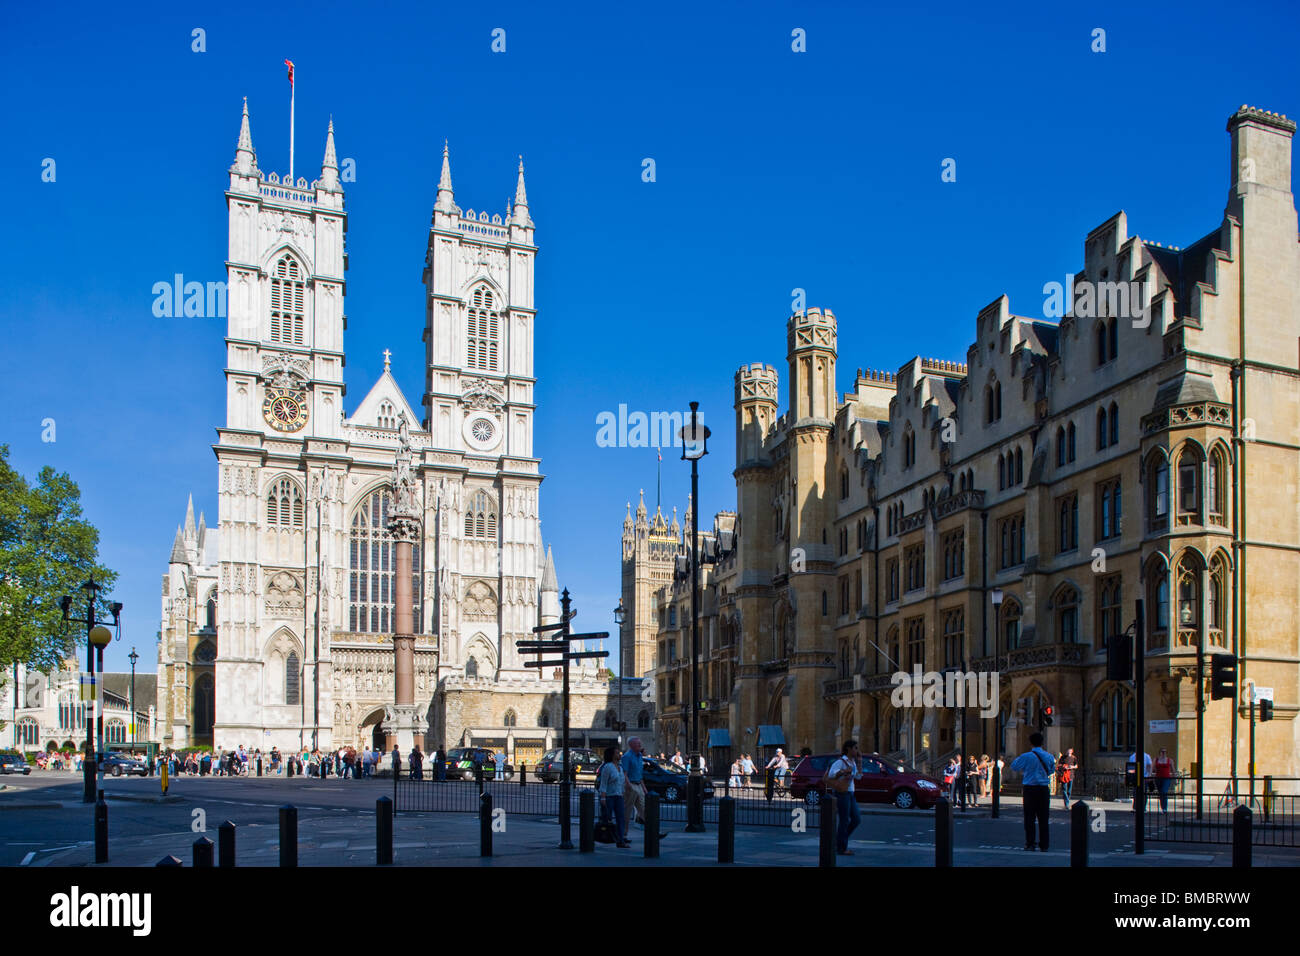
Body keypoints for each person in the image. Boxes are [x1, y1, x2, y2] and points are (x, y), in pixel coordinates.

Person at [1011, 732, 1055, 851]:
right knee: (1043, 818)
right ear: (1042, 742)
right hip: (1043, 789)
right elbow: (1051, 771)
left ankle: (1030, 843)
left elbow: (1014, 766)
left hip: (1030, 788)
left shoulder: (1026, 756)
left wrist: (1026, 770)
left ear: (1030, 743)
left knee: (1029, 817)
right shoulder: (1049, 756)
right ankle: (1044, 845)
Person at [620, 737, 667, 840]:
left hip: (638, 784)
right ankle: (623, 835)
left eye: (640, 743)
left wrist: (644, 788)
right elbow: (624, 773)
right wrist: (628, 786)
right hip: (631, 785)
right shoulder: (627, 757)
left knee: (645, 810)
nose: (640, 745)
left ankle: (654, 832)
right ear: (631, 745)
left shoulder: (640, 756)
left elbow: (639, 774)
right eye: (638, 744)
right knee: (627, 812)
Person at [827, 740, 863, 855]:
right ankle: (841, 847)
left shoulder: (853, 762)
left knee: (856, 819)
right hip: (842, 793)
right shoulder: (841, 761)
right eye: (855, 748)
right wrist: (843, 771)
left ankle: (839, 840)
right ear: (848, 749)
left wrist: (860, 762)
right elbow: (831, 774)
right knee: (844, 820)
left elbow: (858, 777)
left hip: (850, 793)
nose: (857, 750)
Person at [596, 746, 630, 847]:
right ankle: (601, 837)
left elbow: (621, 782)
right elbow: (603, 783)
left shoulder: (620, 767)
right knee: (606, 819)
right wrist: (603, 797)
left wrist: (623, 794)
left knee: (621, 818)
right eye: (616, 753)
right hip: (609, 796)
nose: (619, 754)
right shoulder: (608, 767)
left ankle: (620, 840)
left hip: (618, 796)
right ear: (612, 755)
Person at [1153, 748, 1175, 813]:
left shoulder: (1169, 760)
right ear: (1160, 752)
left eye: (1165, 752)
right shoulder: (1156, 760)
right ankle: (1163, 807)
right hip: (1158, 778)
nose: (1164, 753)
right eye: (1162, 752)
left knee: (1164, 791)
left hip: (1166, 778)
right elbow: (1152, 767)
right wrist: (1150, 775)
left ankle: (1164, 808)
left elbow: (1173, 769)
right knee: (1160, 793)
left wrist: (1174, 777)